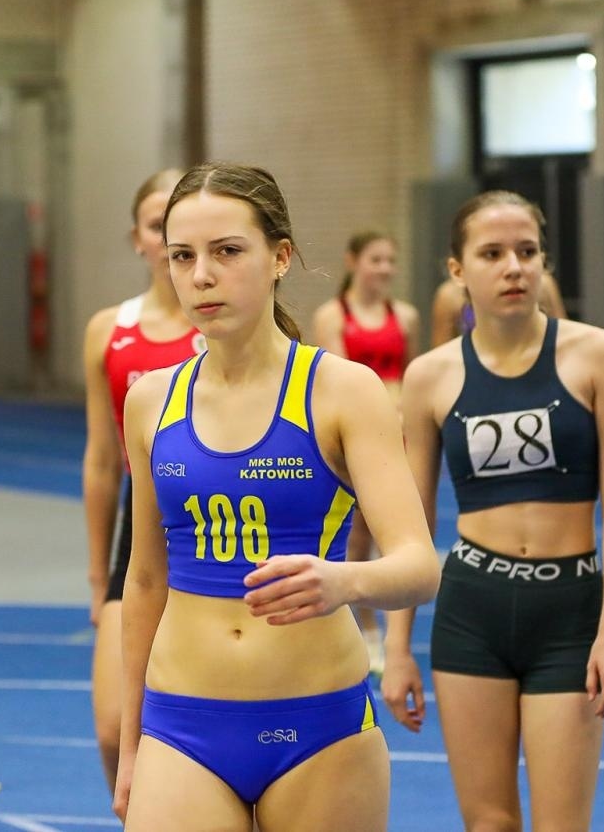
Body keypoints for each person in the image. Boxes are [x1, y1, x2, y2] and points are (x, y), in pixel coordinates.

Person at [114, 163, 441, 832]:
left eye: (227, 251)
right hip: (182, 726)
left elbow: (419, 566)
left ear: (280, 257)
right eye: (183, 256)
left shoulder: (343, 392)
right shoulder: (150, 401)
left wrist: (343, 579)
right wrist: (130, 745)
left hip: (318, 725)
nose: (202, 274)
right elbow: (145, 580)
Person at [383, 190, 604, 832]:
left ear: (544, 263)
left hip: (569, 610)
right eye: (492, 253)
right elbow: (414, 517)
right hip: (474, 610)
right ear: (458, 270)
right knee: (489, 823)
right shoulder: (430, 377)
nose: (514, 267)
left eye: (527, 252)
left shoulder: (596, 355)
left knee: (561, 824)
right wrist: (396, 648)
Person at [80, 167, 202, 794]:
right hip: (141, 530)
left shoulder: (222, 330)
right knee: (113, 727)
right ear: (139, 238)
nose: (169, 237)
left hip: (213, 532)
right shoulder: (109, 330)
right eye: (159, 224)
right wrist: (100, 581)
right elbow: (102, 461)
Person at [311, 231, 420, 675]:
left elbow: (413, 374)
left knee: (399, 532)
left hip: (399, 431)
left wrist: (406, 414)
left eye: (390, 260)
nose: (385, 269)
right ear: (352, 261)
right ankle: (368, 628)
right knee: (357, 535)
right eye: (376, 259)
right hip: (356, 435)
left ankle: (397, 635)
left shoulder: (405, 316)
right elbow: (340, 378)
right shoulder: (332, 316)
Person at [430, 264, 565, 348]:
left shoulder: (543, 286)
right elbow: (440, 364)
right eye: (492, 254)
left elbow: (563, 345)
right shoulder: (451, 295)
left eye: (526, 252)